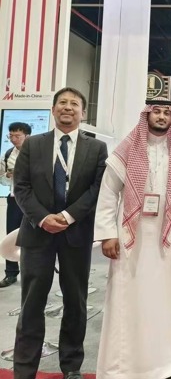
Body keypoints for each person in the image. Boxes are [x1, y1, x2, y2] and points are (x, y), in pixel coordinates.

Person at [94, 99, 171, 379]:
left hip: (170, 237)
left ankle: (168, 361)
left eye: (167, 112)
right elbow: (108, 194)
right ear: (146, 115)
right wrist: (107, 233)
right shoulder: (126, 150)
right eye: (156, 111)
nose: (162, 116)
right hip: (133, 236)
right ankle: (124, 364)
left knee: (168, 298)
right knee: (128, 298)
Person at [12, 87, 108, 379]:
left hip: (75, 234)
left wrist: (67, 216)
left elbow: (97, 189)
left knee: (76, 302)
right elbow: (21, 187)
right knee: (31, 303)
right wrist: (43, 218)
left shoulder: (97, 148)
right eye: (62, 103)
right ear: (53, 110)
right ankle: (25, 369)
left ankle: (71, 366)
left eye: (74, 104)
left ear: (83, 112)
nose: (68, 107)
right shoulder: (33, 145)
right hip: (37, 233)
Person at [0, 122, 31, 288]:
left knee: (32, 236)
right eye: (10, 136)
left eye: (17, 136)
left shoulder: (36, 152)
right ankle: (11, 273)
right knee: (11, 236)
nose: (13, 139)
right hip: (14, 200)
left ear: (27, 136)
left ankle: (31, 272)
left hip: (32, 200)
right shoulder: (8, 154)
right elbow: (4, 181)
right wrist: (6, 176)